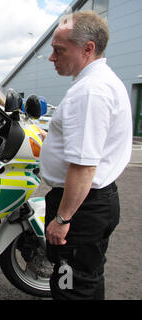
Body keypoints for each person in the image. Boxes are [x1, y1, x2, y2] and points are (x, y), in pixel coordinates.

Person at [39, 11, 132, 299]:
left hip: (81, 209)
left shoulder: (90, 92)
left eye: (59, 50)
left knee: (71, 286)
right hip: (94, 203)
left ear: (88, 48)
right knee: (85, 277)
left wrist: (63, 219)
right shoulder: (99, 81)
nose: (52, 58)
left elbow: (83, 167)